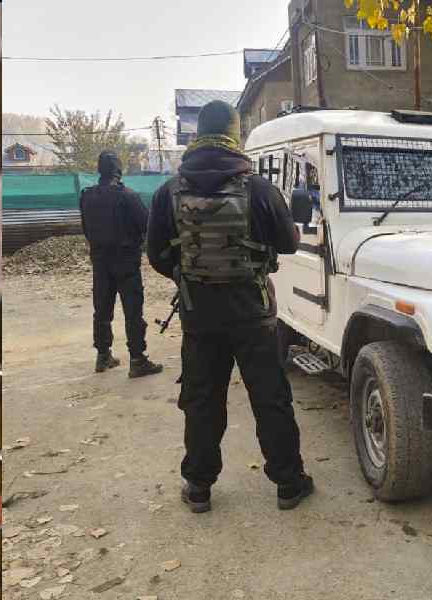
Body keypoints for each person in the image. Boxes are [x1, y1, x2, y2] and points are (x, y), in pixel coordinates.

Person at [147, 100, 312, 513]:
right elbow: (289, 243)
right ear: (234, 135)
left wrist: (189, 278)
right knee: (270, 398)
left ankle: (199, 485)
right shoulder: (258, 188)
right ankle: (289, 484)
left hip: (199, 316)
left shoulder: (169, 192)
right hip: (254, 315)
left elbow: (156, 255)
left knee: (202, 399)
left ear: (196, 136)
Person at [79, 151, 163, 378]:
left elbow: (86, 229)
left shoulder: (87, 196)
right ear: (118, 170)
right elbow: (146, 225)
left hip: (100, 261)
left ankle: (103, 355)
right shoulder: (128, 196)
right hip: (126, 262)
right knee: (133, 312)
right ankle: (137, 360)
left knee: (102, 310)